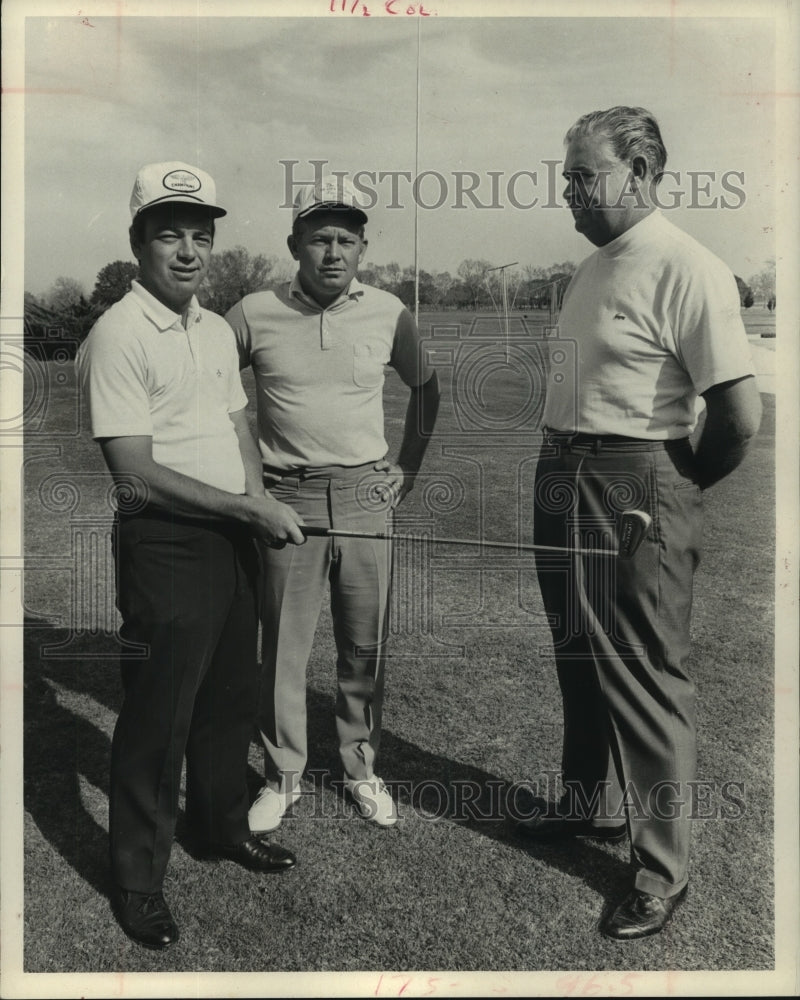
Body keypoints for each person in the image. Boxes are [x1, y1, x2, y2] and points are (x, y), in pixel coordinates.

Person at [518, 108, 762, 939]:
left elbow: (739, 415)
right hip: (564, 470)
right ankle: (588, 803)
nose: (569, 193)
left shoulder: (688, 266)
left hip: (633, 478)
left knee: (646, 671)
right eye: (566, 177)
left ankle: (661, 870)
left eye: (583, 176)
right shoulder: (593, 267)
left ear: (643, 169)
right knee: (578, 651)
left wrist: (680, 484)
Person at [76, 161, 306, 950]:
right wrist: (247, 506)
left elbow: (238, 423)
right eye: (169, 235)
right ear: (137, 242)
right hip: (166, 543)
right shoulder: (118, 334)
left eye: (200, 237)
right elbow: (133, 472)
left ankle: (219, 827)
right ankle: (138, 880)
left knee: (227, 698)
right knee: (158, 714)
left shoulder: (212, 328)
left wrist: (255, 502)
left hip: (234, 532)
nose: (187, 251)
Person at [225, 175, 440, 833]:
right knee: (282, 650)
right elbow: (211, 391)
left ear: (363, 248)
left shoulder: (389, 311)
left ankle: (361, 767)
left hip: (364, 496)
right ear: (295, 244)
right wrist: (249, 485)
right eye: (320, 238)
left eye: (347, 240)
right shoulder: (252, 312)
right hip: (286, 498)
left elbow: (427, 389)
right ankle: (282, 775)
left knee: (363, 645)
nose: (333, 252)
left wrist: (406, 467)